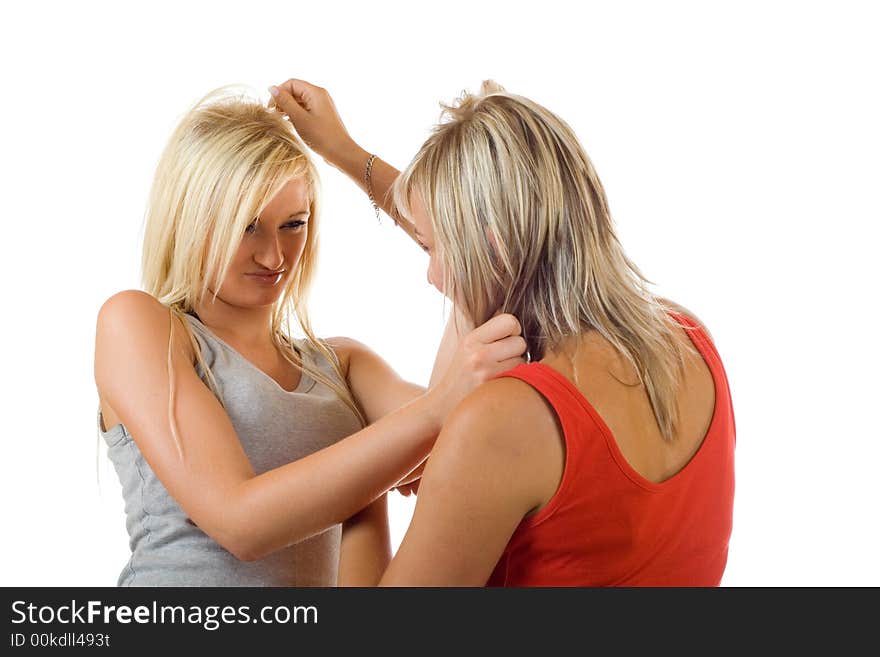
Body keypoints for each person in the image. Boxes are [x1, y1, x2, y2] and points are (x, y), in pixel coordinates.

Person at [268, 78, 736, 586]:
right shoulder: (688, 340)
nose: (432, 276)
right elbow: (485, 226)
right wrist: (345, 151)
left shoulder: (504, 422)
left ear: (493, 250)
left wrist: (359, 477)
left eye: (431, 250)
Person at [93, 87, 526, 586]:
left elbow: (471, 260)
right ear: (191, 219)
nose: (274, 257)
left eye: (293, 224)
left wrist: (344, 152)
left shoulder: (341, 367)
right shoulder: (141, 325)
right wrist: (436, 409)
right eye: (248, 227)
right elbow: (241, 522)